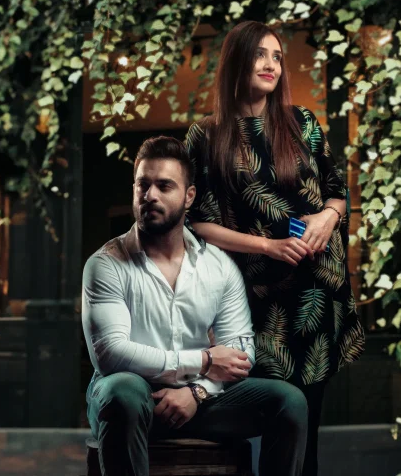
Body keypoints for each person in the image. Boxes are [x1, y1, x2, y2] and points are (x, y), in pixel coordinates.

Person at [185, 20, 365, 476]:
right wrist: (266, 245)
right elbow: (198, 222)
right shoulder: (206, 135)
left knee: (309, 429)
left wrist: (328, 217)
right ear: (235, 63)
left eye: (276, 56)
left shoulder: (302, 121)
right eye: (259, 55)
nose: (270, 65)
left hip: (319, 295)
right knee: (275, 425)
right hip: (258, 304)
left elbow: (336, 192)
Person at [82, 136, 308, 476]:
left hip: (200, 403)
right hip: (133, 404)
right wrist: (203, 360)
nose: (150, 195)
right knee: (122, 390)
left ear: (189, 196)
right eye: (143, 185)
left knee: (289, 402)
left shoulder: (217, 266)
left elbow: (239, 352)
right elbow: (112, 355)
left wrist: (196, 392)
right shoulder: (107, 264)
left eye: (164, 186)